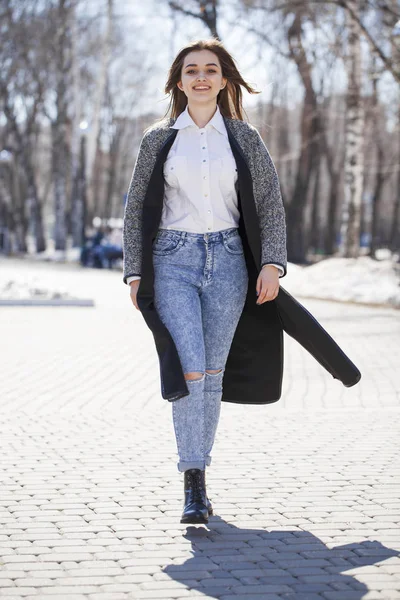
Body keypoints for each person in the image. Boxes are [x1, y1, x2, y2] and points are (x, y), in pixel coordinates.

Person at [123, 38, 288, 525]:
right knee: (190, 369)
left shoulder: (244, 138)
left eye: (210, 70)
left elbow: (270, 202)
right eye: (191, 70)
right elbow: (135, 210)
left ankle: (200, 477)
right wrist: (136, 269)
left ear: (224, 79)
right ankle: (191, 477)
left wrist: (271, 263)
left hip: (231, 262)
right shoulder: (158, 139)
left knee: (211, 376)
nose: (201, 77)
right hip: (172, 259)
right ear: (179, 81)